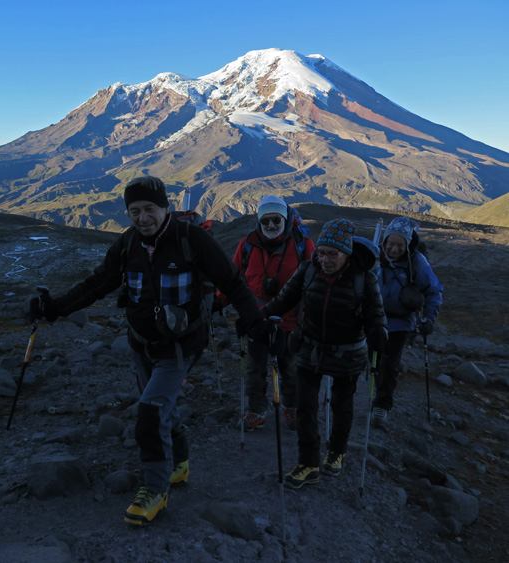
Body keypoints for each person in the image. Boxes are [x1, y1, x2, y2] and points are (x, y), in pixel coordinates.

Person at [29, 176, 265, 525]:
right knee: (161, 409)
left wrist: (255, 320)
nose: (142, 218)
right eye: (134, 211)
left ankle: (155, 489)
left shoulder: (193, 240)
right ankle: (179, 464)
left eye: (149, 209)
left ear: (165, 208)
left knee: (151, 412)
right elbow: (99, 283)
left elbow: (232, 281)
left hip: (181, 346)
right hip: (140, 342)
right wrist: (56, 308)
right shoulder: (128, 244)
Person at [257, 219, 387, 488]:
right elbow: (283, 301)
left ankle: (336, 452)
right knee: (305, 407)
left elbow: (376, 316)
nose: (324, 259)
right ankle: (308, 463)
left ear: (346, 253)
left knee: (342, 406)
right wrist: (256, 318)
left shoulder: (364, 279)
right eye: (321, 252)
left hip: (347, 354)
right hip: (309, 347)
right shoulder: (307, 270)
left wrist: (379, 335)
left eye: (332, 254)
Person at [216, 195, 314, 431]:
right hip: (256, 317)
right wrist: (217, 302)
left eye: (276, 221)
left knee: (290, 366)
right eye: (266, 221)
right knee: (255, 366)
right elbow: (234, 279)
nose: (270, 226)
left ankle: (292, 408)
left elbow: (313, 282)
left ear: (285, 220)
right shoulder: (248, 244)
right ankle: (257, 410)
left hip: (291, 319)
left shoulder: (302, 244)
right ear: (259, 222)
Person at [372, 216, 443, 427]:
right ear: (384, 242)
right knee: (374, 360)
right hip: (374, 320)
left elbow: (434, 290)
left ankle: (381, 405)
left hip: (401, 322)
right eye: (390, 244)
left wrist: (429, 318)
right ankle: (377, 394)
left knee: (389, 364)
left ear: (408, 244)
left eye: (400, 245)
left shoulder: (417, 262)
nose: (394, 249)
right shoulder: (375, 257)